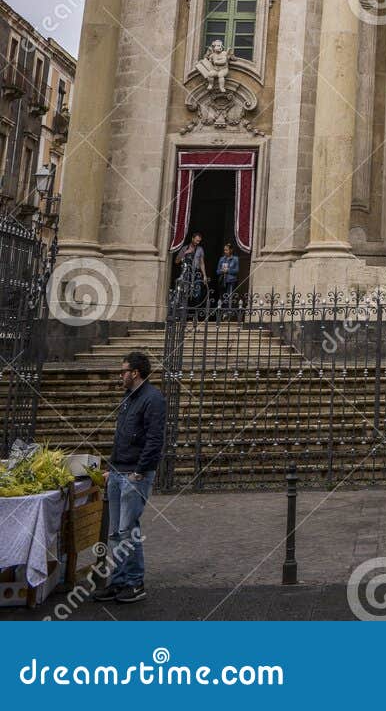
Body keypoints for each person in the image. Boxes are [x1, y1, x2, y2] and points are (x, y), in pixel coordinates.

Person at [93, 352, 166, 604]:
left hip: (134, 474)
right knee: (116, 532)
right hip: (118, 471)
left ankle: (135, 582)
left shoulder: (152, 399)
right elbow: (121, 437)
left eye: (123, 370)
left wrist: (139, 471)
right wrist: (111, 468)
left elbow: (155, 439)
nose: (120, 375)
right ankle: (119, 580)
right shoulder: (129, 398)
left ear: (135, 372)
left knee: (128, 530)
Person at [176, 232, 208, 316]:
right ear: (192, 239)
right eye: (197, 240)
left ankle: (194, 314)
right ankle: (183, 314)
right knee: (185, 292)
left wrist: (204, 275)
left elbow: (202, 263)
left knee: (197, 293)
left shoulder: (200, 249)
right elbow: (177, 261)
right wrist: (185, 253)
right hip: (186, 273)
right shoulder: (184, 248)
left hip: (197, 273)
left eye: (199, 241)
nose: (198, 242)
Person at [215, 241, 240, 316]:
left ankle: (229, 313)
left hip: (231, 280)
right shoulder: (222, 259)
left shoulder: (235, 259)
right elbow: (217, 271)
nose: (225, 251)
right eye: (224, 250)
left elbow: (237, 270)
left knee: (229, 296)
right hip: (223, 280)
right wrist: (222, 271)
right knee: (222, 297)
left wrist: (228, 270)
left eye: (226, 250)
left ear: (231, 250)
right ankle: (222, 313)